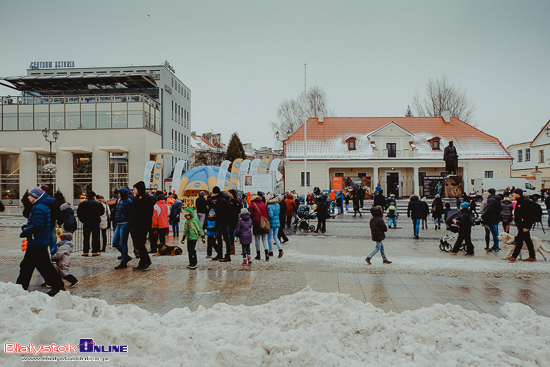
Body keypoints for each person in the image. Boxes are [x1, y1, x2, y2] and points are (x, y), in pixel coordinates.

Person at [17, 187, 65, 297]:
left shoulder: (39, 208)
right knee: (36, 265)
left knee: (31, 266)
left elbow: (38, 225)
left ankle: (20, 287)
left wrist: (25, 231)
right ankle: (57, 285)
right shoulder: (42, 206)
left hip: (37, 241)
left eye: (30, 195)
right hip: (38, 241)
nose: (28, 197)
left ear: (35, 197)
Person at [507, 188, 537, 262]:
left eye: (514, 193)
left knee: (520, 241)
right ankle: (532, 256)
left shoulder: (524, 202)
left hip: (524, 225)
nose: (512, 194)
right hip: (521, 225)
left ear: (518, 194)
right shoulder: (520, 201)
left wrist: (527, 226)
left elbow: (528, 216)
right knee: (527, 240)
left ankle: (514, 256)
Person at [130, 181, 154, 271]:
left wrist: (142, 220)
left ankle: (146, 260)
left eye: (135, 189)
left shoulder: (146, 199)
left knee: (140, 243)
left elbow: (148, 213)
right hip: (136, 225)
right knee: (138, 243)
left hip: (143, 225)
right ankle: (143, 261)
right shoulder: (136, 198)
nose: (134, 191)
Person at [76, 190, 105, 257]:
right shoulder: (97, 203)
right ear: (94, 196)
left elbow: (79, 213)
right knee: (95, 237)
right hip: (95, 222)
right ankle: (95, 251)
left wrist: (82, 220)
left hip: (86, 222)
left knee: (86, 237)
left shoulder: (82, 204)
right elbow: (102, 212)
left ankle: (85, 251)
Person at [112, 187, 133, 269]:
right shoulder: (119, 201)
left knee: (123, 242)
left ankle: (124, 260)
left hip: (125, 223)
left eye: (119, 193)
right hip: (119, 223)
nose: (118, 194)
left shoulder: (128, 202)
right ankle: (125, 255)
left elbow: (130, 213)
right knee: (115, 242)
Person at [249, 194, 270, 261]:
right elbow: (267, 213)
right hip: (264, 223)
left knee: (257, 239)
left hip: (256, 223)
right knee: (264, 239)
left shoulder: (252, 204)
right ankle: (267, 253)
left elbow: (250, 214)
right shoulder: (263, 204)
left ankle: (258, 254)